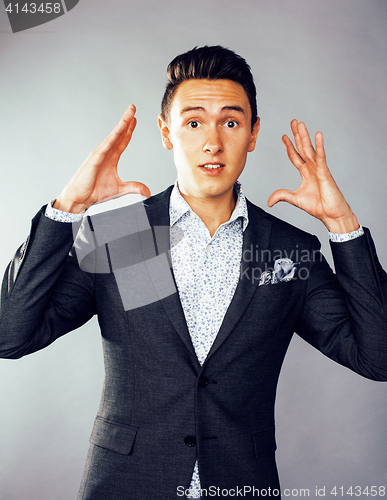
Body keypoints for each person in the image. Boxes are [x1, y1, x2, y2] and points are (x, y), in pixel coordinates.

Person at [1, 45, 386, 500]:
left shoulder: (289, 250)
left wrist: (343, 227)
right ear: (167, 132)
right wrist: (68, 208)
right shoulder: (124, 234)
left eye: (230, 121)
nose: (213, 142)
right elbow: (10, 335)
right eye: (193, 121)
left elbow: (377, 358)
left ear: (253, 132)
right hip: (128, 486)